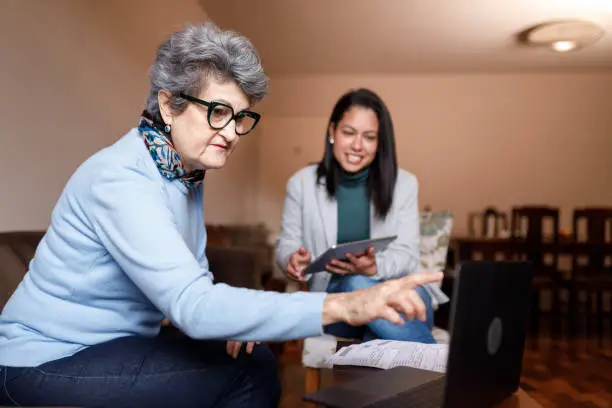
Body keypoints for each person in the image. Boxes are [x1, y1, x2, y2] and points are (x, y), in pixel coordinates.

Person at [0, 23, 442, 408]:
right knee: (248, 373)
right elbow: (194, 306)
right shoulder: (121, 179)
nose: (232, 133)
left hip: (113, 346)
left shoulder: (182, 174)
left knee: (254, 360)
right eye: (218, 113)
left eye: (241, 118)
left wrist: (231, 319)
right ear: (169, 104)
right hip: (43, 359)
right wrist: (350, 301)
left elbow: (195, 279)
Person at [276, 88, 448, 344]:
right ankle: (437, 367)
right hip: (338, 302)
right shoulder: (301, 184)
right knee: (357, 285)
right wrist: (292, 258)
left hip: (399, 291)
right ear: (332, 131)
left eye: (369, 137)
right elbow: (286, 243)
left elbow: (406, 254)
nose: (358, 145)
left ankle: (413, 364)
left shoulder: (405, 184)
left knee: (398, 307)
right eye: (348, 133)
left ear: (379, 144)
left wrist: (374, 267)